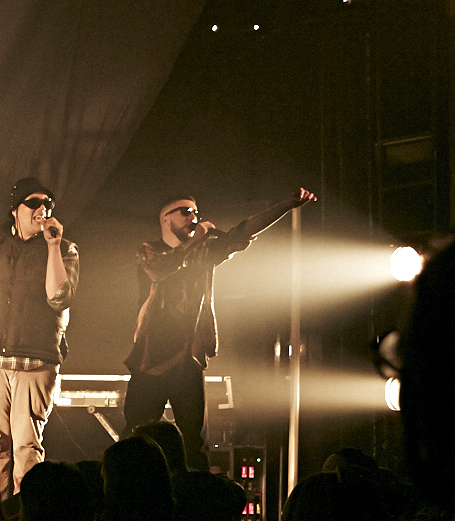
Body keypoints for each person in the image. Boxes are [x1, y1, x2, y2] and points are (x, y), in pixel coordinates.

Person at [124, 188, 315, 463]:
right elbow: (161, 270)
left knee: (193, 441)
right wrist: (197, 238)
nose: (194, 217)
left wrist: (284, 206)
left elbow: (244, 231)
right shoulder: (149, 250)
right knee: (135, 434)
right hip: (151, 358)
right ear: (166, 219)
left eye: (196, 212)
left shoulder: (204, 252)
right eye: (186, 211)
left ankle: (194, 485)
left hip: (189, 358)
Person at [0, 176, 79, 501]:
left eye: (48, 204)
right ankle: (0, 519)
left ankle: (27, 519)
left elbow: (59, 298)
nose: (42, 209)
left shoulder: (65, 249)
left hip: (36, 360)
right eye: (34, 203)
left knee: (27, 448)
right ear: (15, 209)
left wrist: (53, 246)